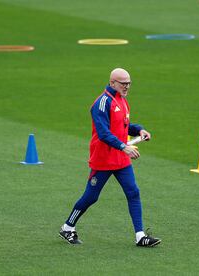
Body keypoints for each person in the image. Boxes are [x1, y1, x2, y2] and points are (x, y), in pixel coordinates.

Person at [59, 68, 161, 247]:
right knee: (91, 197)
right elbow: (104, 133)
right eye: (123, 83)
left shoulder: (122, 100)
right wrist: (125, 147)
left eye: (129, 83)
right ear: (112, 82)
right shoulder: (101, 103)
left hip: (121, 159)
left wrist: (139, 130)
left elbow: (123, 126)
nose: (127, 87)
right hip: (103, 159)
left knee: (133, 192)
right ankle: (68, 227)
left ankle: (140, 236)